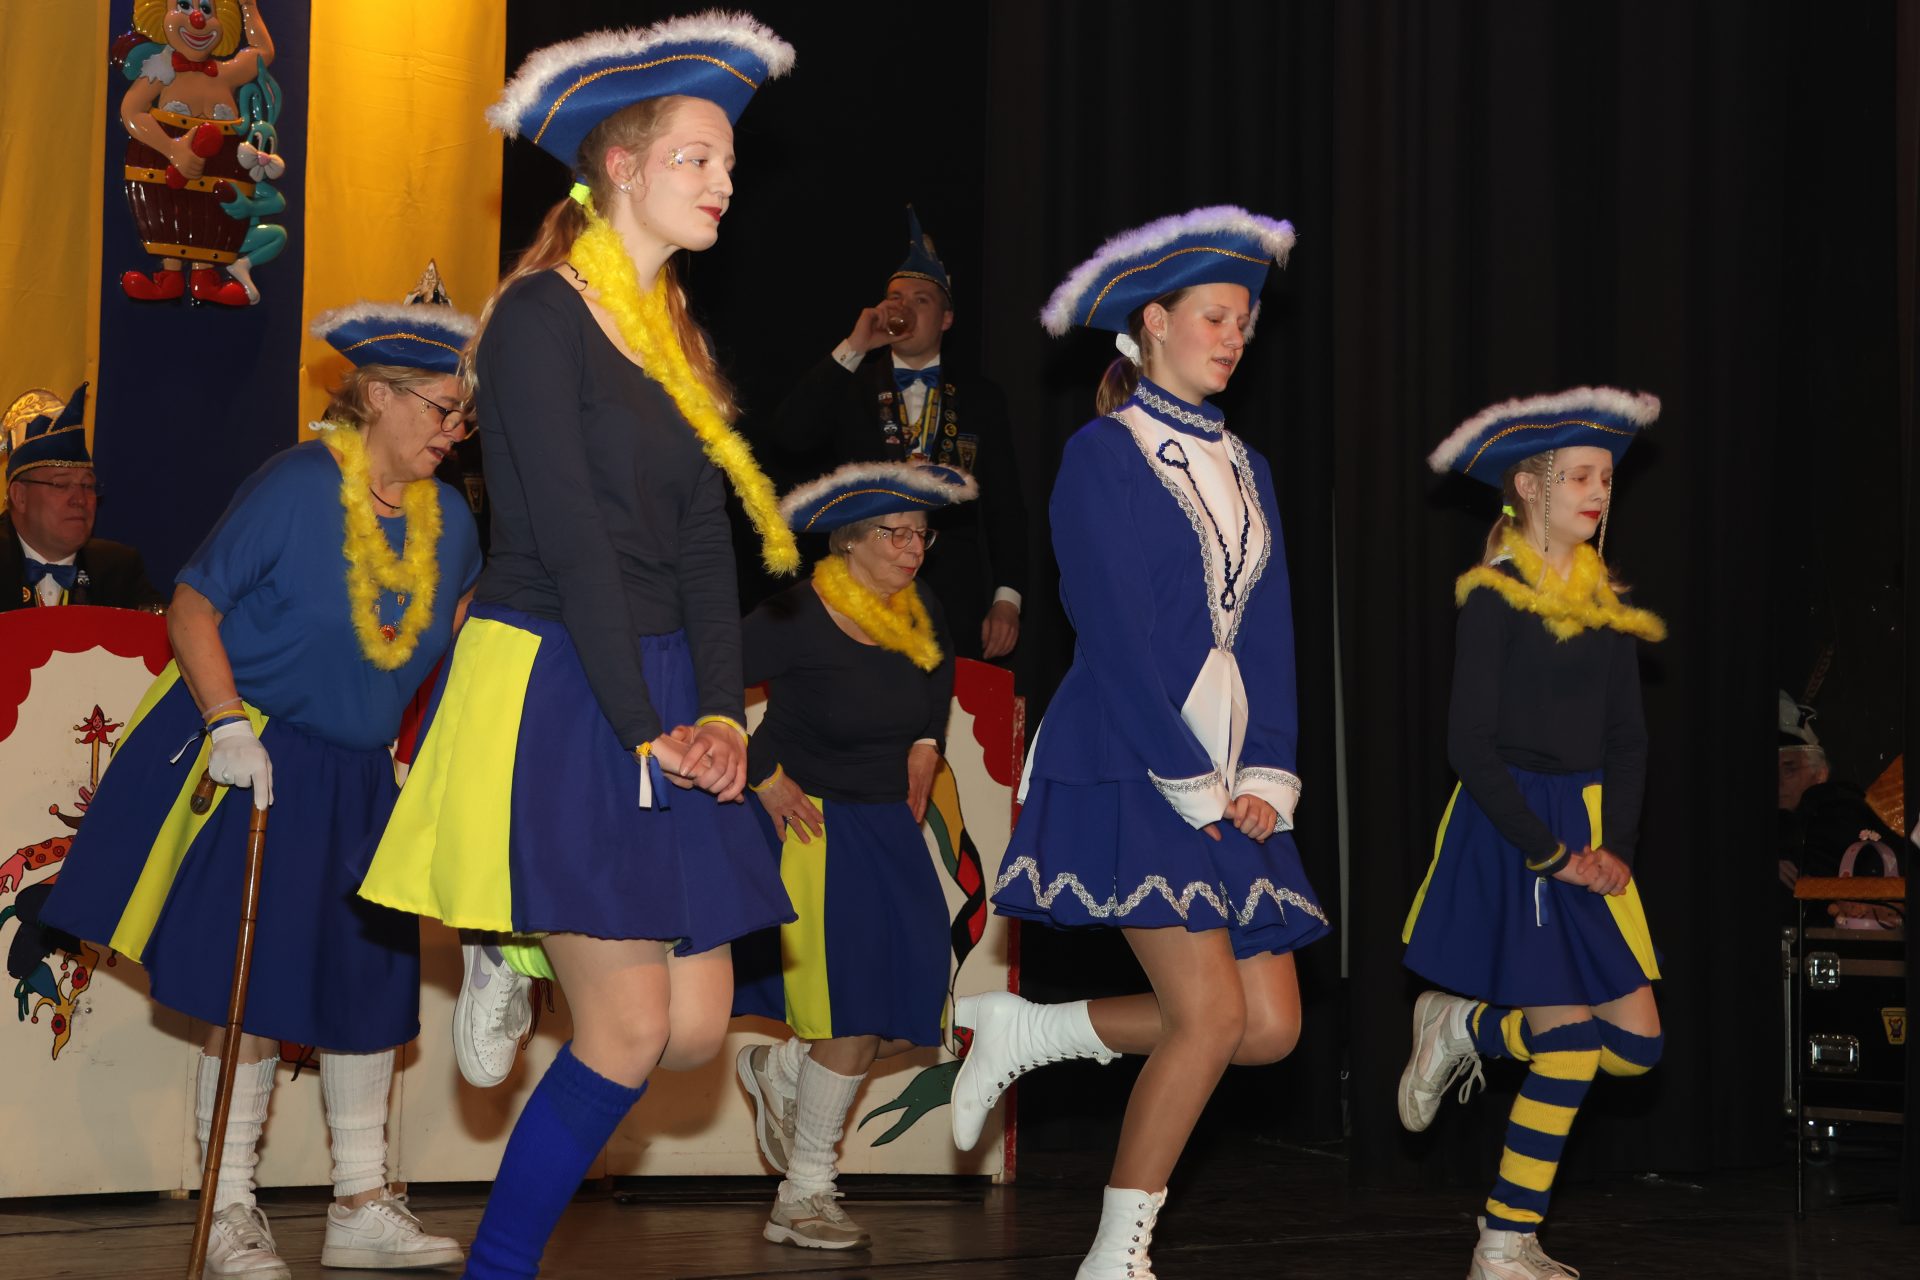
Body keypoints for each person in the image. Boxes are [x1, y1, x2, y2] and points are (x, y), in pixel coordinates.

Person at [352, 15, 799, 1278]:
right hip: (558, 669)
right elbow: (571, 541)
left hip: (659, 674)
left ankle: (526, 941)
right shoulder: (538, 319)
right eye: (697, 159)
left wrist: (720, 712)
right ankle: (499, 1263)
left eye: (728, 163)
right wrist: (640, 722)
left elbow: (704, 547)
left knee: (698, 1026)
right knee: (630, 1027)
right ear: (620, 166)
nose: (723, 182)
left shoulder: (677, 339)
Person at [39, 296, 482, 1277]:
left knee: (368, 982)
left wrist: (433, 759)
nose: (456, 430)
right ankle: (230, 1206)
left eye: (464, 414)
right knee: (250, 986)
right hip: (262, 756)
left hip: (363, 772)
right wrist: (226, 721)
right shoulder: (296, 484)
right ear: (377, 395)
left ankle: (361, 1200)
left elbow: (450, 640)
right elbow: (192, 606)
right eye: (441, 408)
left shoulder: (452, 521)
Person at [957, 207, 1329, 1280]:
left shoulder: (1248, 465)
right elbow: (1111, 634)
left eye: (1246, 321)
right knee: (1207, 1017)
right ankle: (1115, 1257)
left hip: (1227, 763)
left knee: (1270, 1027)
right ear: (1153, 322)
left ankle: (1034, 1031)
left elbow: (1271, 632)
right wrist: (1190, 776)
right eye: (1216, 316)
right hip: (1132, 751)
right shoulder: (1103, 453)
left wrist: (1268, 772)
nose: (1235, 336)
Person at [1397, 388, 1668, 1280]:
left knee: (1636, 1048)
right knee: (1571, 1047)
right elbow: (1468, 748)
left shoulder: (1606, 603)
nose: (1599, 493)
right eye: (1581, 477)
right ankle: (1504, 1241)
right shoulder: (1496, 596)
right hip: (1514, 831)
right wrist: (1547, 852)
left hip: (1588, 837)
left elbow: (1628, 740)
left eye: (1606, 480)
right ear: (1529, 486)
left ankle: (1466, 1028)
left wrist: (1614, 847)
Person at [731, 460, 970, 1251]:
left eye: (921, 535)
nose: (913, 550)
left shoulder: (919, 603)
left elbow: (939, 667)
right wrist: (761, 773)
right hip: (815, 828)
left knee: (916, 1002)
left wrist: (928, 741)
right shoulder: (796, 615)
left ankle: (783, 1072)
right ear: (848, 542)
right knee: (855, 1010)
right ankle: (803, 1194)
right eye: (895, 535)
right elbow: (700, 683)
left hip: (888, 824)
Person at [767, 208, 1027, 662]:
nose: (903, 308)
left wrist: (1008, 599)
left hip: (952, 599)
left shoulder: (981, 397)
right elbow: (790, 435)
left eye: (920, 300)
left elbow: (1006, 507)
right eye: (894, 298)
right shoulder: (851, 383)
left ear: (946, 318)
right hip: (860, 592)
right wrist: (855, 346)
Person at [2, 384, 161, 610]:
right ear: (20, 496)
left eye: (87, 485)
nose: (79, 499)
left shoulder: (119, 570)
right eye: (61, 484)